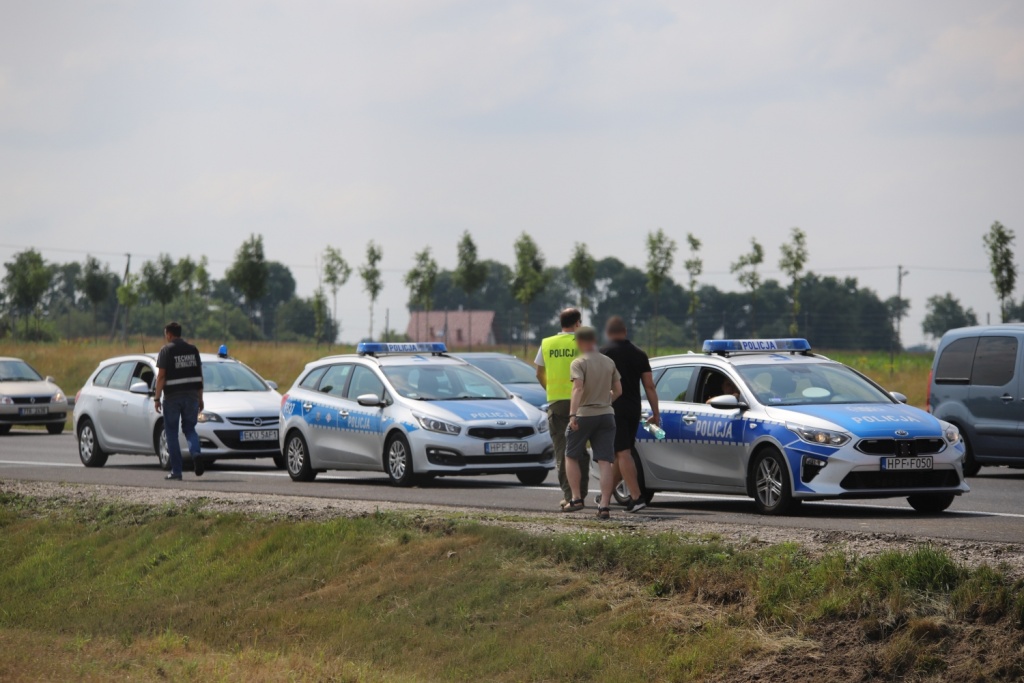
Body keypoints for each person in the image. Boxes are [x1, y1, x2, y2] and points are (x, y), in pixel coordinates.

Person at [600, 316, 661, 513]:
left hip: (613, 408)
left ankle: (636, 497)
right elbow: (650, 386)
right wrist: (656, 413)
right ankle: (605, 496)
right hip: (634, 409)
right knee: (621, 453)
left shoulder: (604, 354)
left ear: (608, 333)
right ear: (625, 331)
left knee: (623, 453)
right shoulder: (639, 354)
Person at [563, 326, 622, 519]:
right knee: (605, 461)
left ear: (580, 342)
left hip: (584, 414)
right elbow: (619, 390)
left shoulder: (579, 362)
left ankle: (576, 498)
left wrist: (573, 415)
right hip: (606, 415)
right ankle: (604, 506)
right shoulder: (609, 362)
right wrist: (605, 402)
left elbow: (577, 388)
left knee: (571, 454)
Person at [535, 308, 586, 509]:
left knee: (562, 451)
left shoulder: (547, 343)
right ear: (577, 323)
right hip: (581, 401)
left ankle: (569, 496)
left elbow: (539, 372)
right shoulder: (583, 342)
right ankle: (581, 493)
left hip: (556, 402)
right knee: (580, 450)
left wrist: (550, 388)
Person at [154, 321, 204, 481]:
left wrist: (156, 398)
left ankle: (177, 471)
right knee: (190, 429)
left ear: (169, 334)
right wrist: (200, 398)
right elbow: (199, 376)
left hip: (172, 397)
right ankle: (196, 454)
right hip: (192, 396)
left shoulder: (166, 350)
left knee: (171, 433)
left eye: (165, 334)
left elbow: (161, 376)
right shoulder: (193, 349)